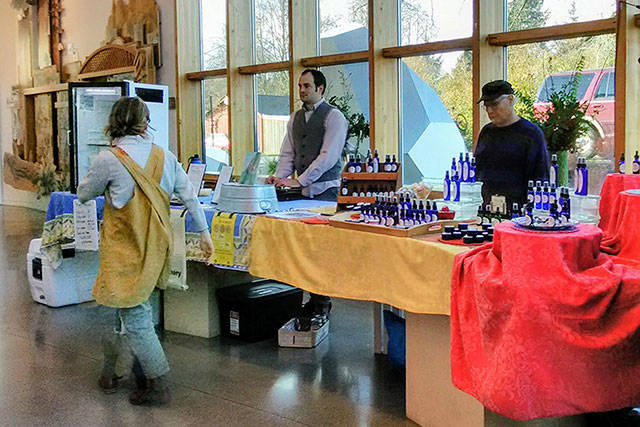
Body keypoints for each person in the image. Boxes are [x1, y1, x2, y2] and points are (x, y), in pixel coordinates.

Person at [77, 97, 214, 406]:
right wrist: (205, 235)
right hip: (156, 246)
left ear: (113, 122)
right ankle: (112, 371)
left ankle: (157, 380)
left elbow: (84, 193)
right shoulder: (165, 156)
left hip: (124, 250)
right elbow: (190, 198)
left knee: (131, 313)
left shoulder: (108, 159)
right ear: (145, 122)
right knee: (136, 308)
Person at [265, 69, 348, 317]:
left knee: (320, 250)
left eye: (307, 86)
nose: (302, 90)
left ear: (320, 89)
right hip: (302, 195)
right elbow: (287, 154)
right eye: (300, 86)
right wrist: (280, 179)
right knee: (302, 248)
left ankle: (322, 301)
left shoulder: (334, 117)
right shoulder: (295, 118)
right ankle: (310, 298)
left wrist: (299, 180)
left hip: (326, 192)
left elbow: (328, 156)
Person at [474, 80, 549, 207]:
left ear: (510, 100)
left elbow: (540, 178)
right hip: (488, 208)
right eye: (486, 106)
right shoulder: (486, 132)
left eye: (494, 104)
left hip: (519, 211)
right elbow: (477, 169)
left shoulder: (531, 134)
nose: (489, 110)